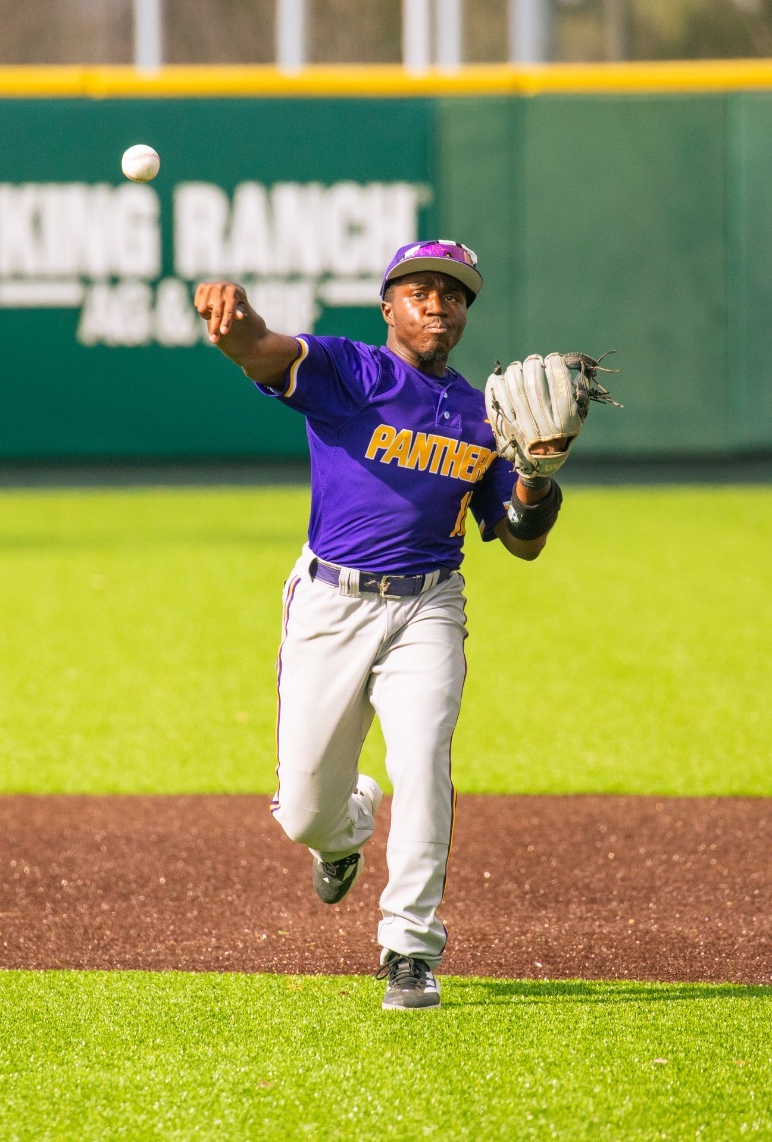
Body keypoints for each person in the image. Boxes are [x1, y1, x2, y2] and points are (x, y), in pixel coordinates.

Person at [194, 240, 568, 1010]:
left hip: (429, 602)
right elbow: (261, 350)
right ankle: (344, 830)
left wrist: (534, 478)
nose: (438, 306)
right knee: (304, 814)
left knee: (424, 758)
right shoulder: (351, 370)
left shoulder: (486, 414)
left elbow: (521, 541)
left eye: (454, 295)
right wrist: (234, 322)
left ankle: (409, 949)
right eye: (420, 291)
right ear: (388, 305)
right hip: (330, 600)